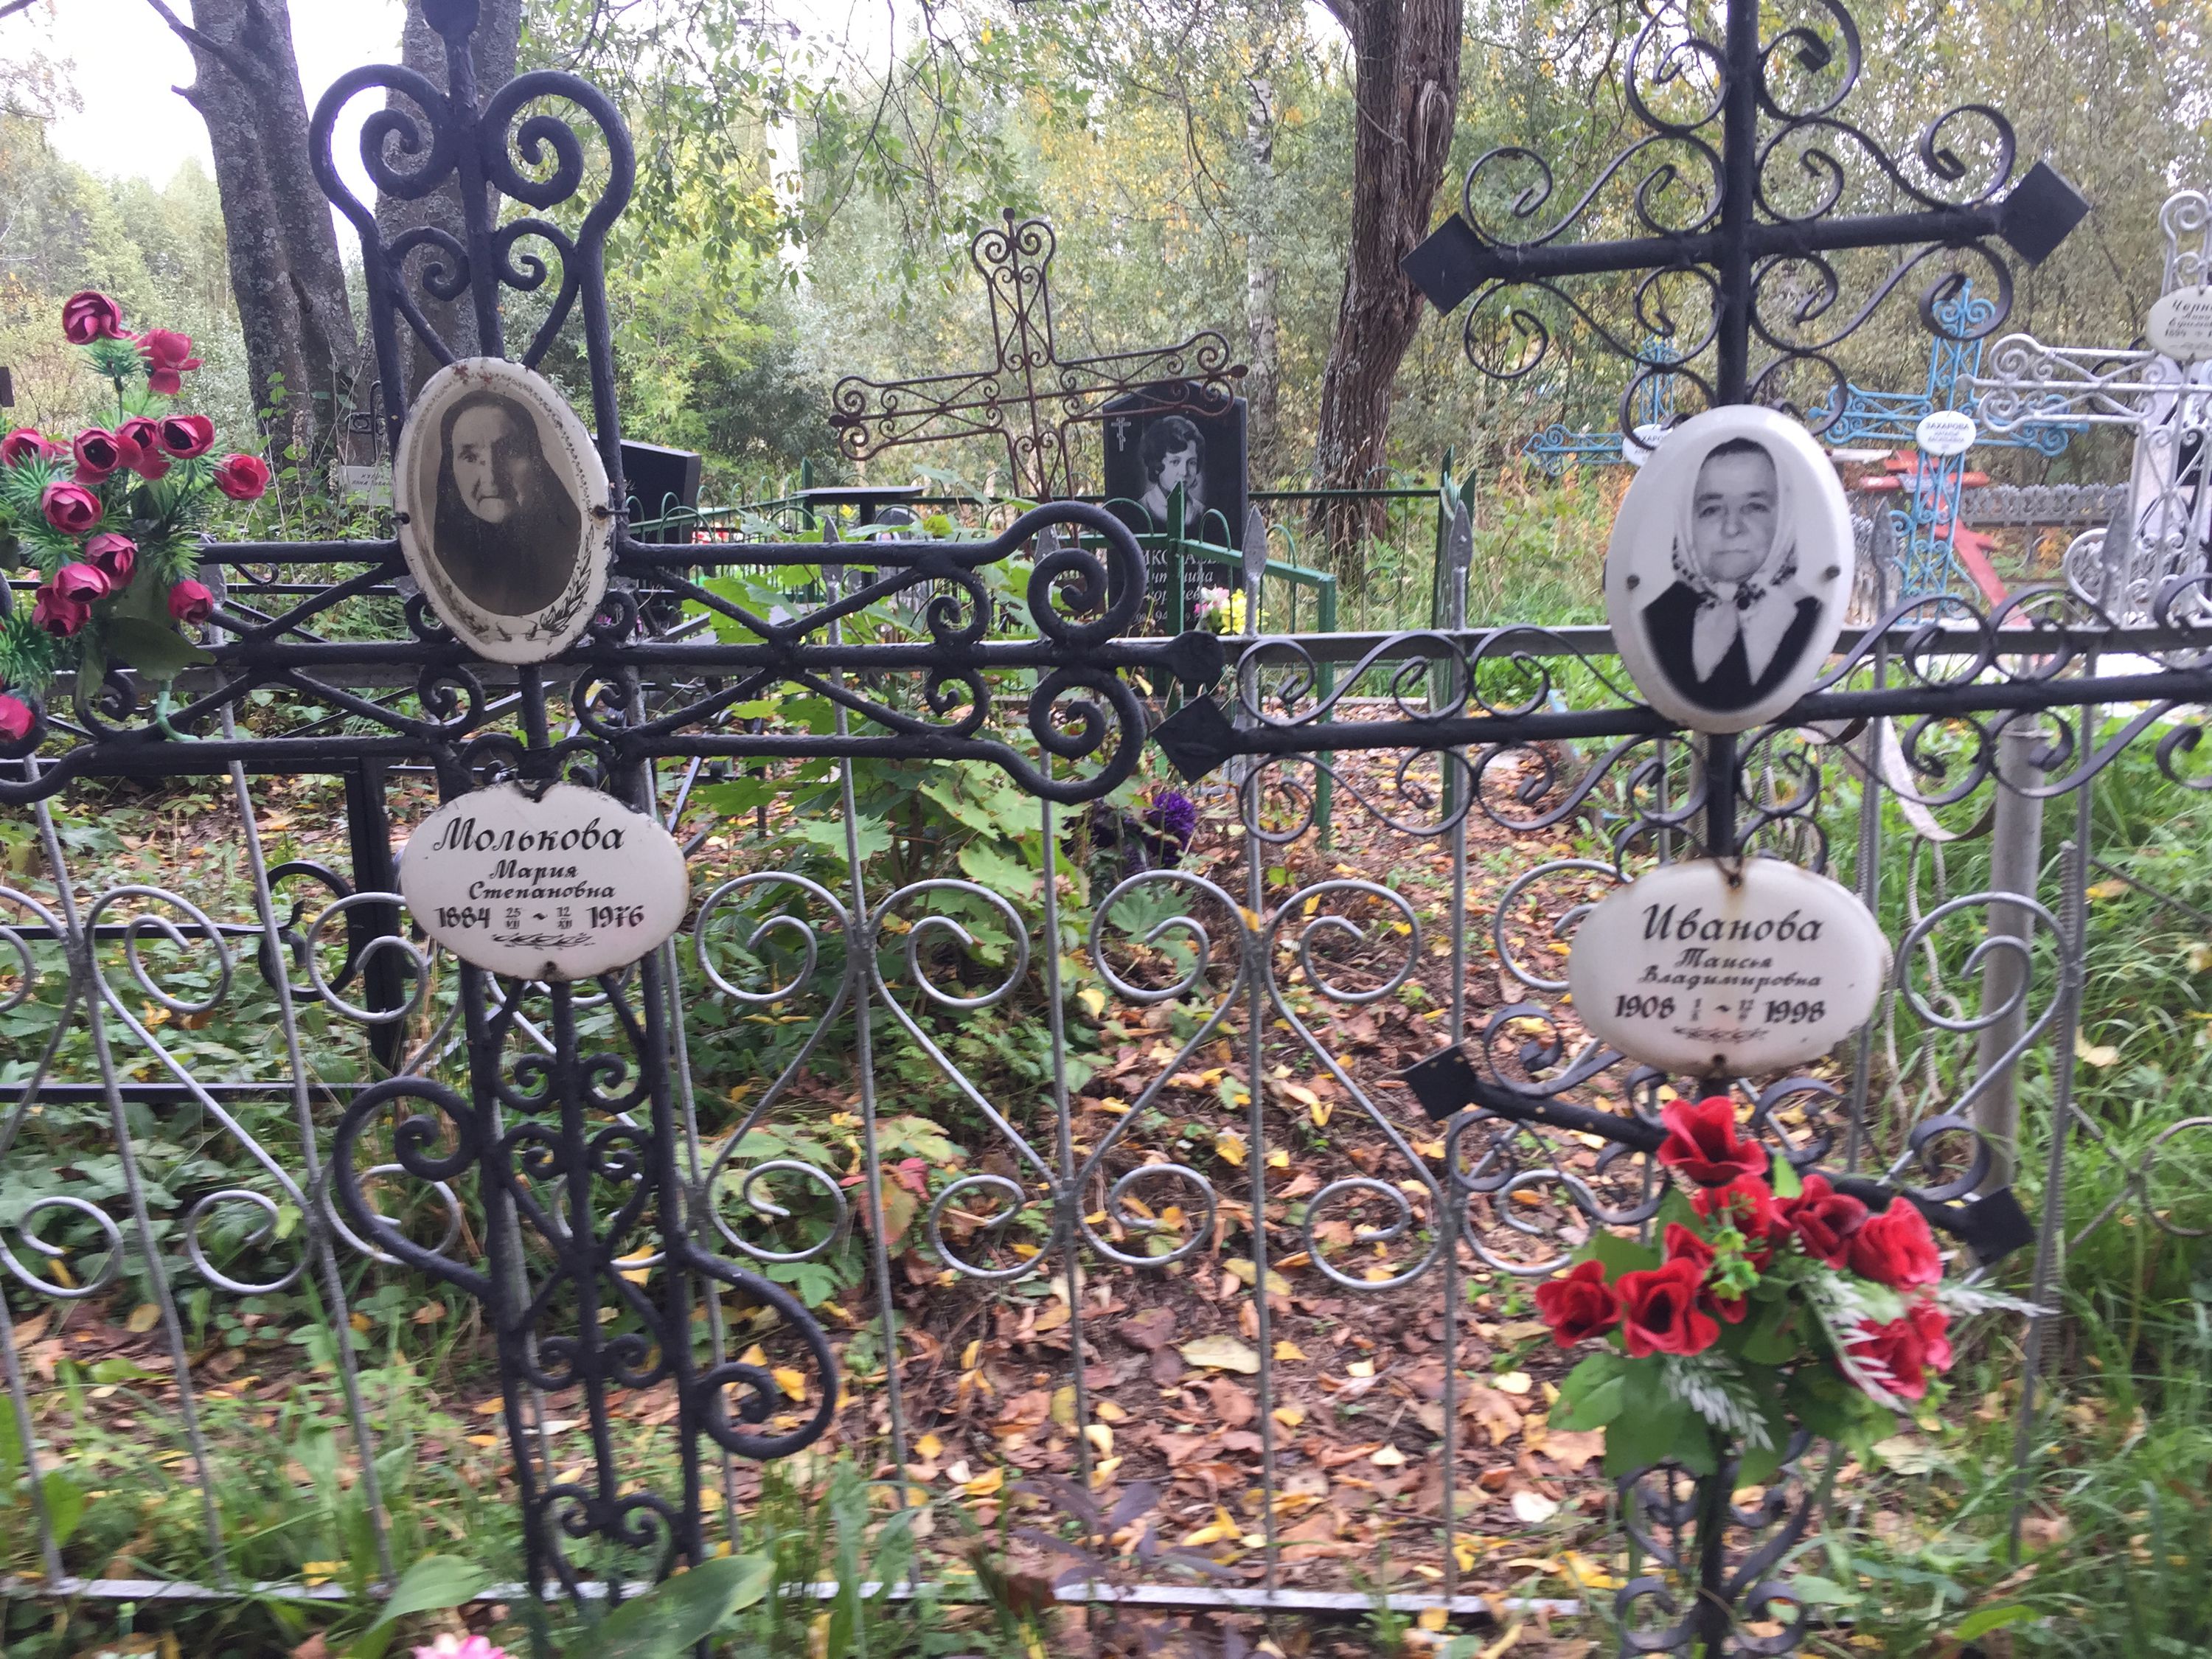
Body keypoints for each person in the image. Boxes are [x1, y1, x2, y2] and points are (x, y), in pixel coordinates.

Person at [1636, 434, 1824, 713]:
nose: (1732, 527)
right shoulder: (1655, 616)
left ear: (1784, 517)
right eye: (1711, 509)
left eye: (1754, 507)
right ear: (1686, 521)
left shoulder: (1814, 614)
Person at [428, 389, 581, 616]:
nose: (491, 476)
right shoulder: (443, 564)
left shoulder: (573, 553)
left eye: (509, 452)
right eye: (470, 457)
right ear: (450, 470)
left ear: (537, 460)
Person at [1137, 415, 1205, 533]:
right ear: (1157, 464)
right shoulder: (1142, 508)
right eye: (1175, 462)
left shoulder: (1201, 512)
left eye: (1192, 462)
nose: (1184, 472)